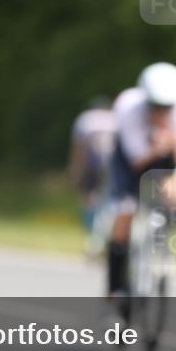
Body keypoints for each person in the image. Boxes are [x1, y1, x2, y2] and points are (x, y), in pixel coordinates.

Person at [106, 63, 176, 305]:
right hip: (131, 160)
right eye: (155, 106)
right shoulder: (128, 108)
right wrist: (156, 147)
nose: (160, 112)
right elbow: (137, 162)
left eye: (167, 107)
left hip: (165, 155)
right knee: (124, 213)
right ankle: (115, 285)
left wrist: (172, 144)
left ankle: (162, 241)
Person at [68, 97, 118, 255]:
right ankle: (104, 235)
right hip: (113, 167)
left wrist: (76, 170)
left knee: (89, 200)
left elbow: (80, 148)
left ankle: (94, 237)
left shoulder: (85, 120)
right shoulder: (115, 118)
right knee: (110, 201)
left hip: (92, 166)